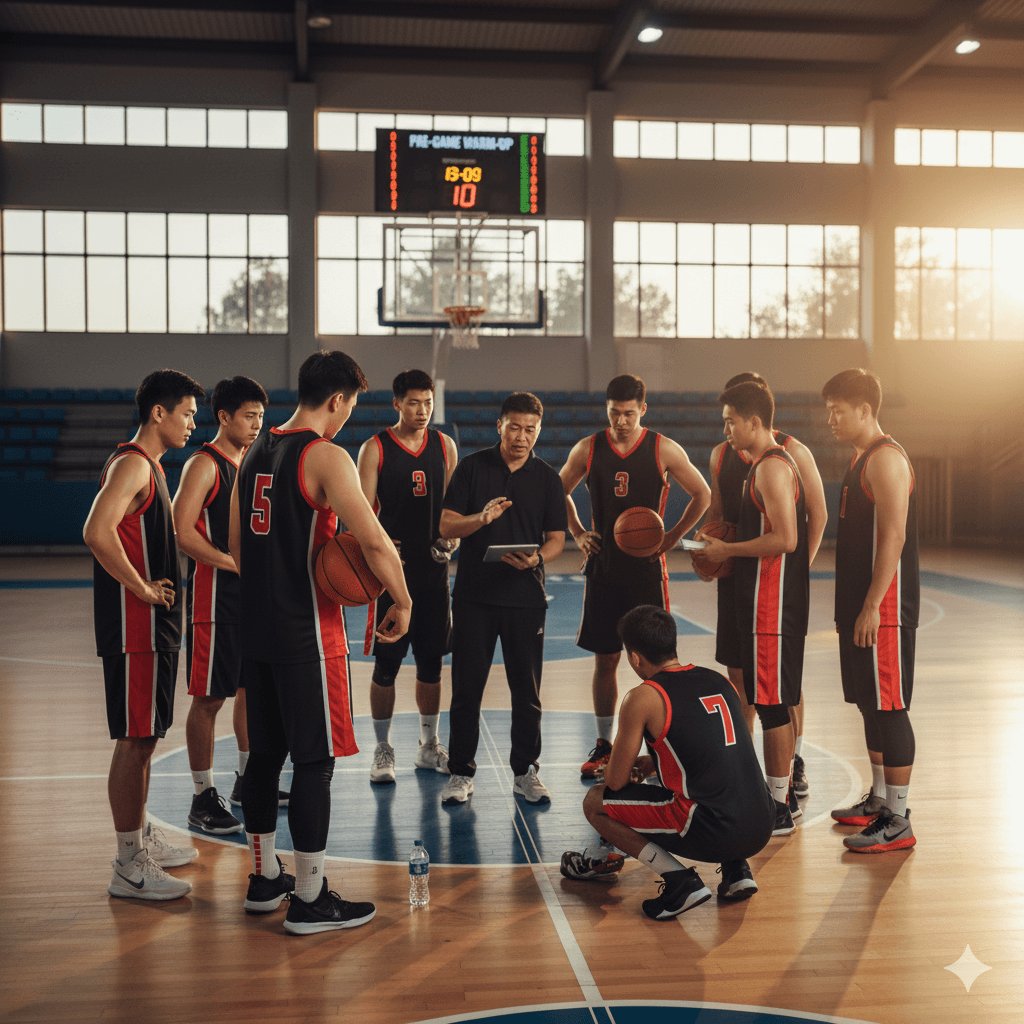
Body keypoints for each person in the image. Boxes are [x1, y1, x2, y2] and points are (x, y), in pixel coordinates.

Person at [229, 350, 411, 933]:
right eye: (350, 407)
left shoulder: (252, 450)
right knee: (315, 762)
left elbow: (236, 546)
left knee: (264, 755)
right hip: (307, 632)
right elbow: (376, 542)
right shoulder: (325, 455)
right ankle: (309, 898)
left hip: (255, 630)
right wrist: (403, 599)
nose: (347, 419)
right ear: (337, 399)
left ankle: (264, 879)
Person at [560, 605, 774, 919]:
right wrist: (650, 763)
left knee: (595, 801)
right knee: (721, 784)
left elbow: (616, 782)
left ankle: (680, 881)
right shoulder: (719, 681)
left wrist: (623, 771)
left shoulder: (644, 696)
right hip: (762, 821)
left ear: (634, 657)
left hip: (714, 828)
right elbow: (715, 753)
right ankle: (736, 870)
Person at [84, 368, 206, 901]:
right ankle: (129, 862)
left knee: (147, 737)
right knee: (134, 740)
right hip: (136, 629)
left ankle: (140, 837)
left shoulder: (150, 467)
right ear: (159, 413)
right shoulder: (133, 464)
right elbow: (95, 530)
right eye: (187, 413)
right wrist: (141, 589)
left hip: (152, 630)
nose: (192, 423)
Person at [559, 374, 710, 779]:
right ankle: (604, 744)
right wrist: (576, 531)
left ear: (643, 409)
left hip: (646, 573)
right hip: (604, 569)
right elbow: (557, 490)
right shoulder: (588, 448)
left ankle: (662, 749)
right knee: (605, 659)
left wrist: (673, 537)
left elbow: (703, 494)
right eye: (614, 413)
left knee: (659, 664)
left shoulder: (663, 449)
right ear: (606, 409)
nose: (621, 421)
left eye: (628, 413)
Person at [695, 372, 827, 809]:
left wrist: (729, 548)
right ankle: (773, 793)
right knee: (768, 698)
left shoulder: (774, 463)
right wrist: (714, 554)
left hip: (771, 602)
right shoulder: (757, 462)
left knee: (773, 703)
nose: (726, 428)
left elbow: (788, 539)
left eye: (730, 420)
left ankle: (777, 803)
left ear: (753, 421)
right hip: (757, 598)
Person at [437, 392, 567, 806]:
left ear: (538, 431)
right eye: (514, 427)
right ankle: (460, 773)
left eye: (530, 429)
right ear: (500, 426)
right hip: (475, 597)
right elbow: (446, 524)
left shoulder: (548, 478)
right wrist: (482, 519)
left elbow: (557, 540)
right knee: (466, 690)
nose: (521, 436)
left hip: (526, 597)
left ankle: (526, 772)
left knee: (526, 693)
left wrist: (536, 559)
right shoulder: (473, 468)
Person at [172, 376, 287, 837]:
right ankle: (202, 796)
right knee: (209, 697)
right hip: (214, 599)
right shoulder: (204, 463)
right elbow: (183, 532)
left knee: (250, 691)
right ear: (224, 417)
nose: (258, 424)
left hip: (252, 599)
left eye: (261, 416)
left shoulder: (257, 461)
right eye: (249, 416)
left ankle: (246, 779)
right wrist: (233, 564)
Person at [822, 369, 919, 853]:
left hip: (883, 609)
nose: (832, 419)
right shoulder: (860, 460)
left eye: (839, 410)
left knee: (890, 706)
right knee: (868, 704)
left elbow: (895, 536)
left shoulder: (885, 459)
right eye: (829, 411)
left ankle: (899, 817)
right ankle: (881, 800)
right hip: (860, 607)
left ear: (865, 410)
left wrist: (872, 607)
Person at [357, 369, 458, 784]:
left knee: (431, 664)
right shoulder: (374, 449)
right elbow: (362, 515)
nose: (422, 411)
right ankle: (382, 749)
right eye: (414, 403)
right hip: (390, 576)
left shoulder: (444, 445)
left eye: (428, 403)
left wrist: (452, 543)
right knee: (386, 666)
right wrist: (381, 545)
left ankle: (428, 745)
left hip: (433, 573)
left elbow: (452, 509)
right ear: (397, 403)